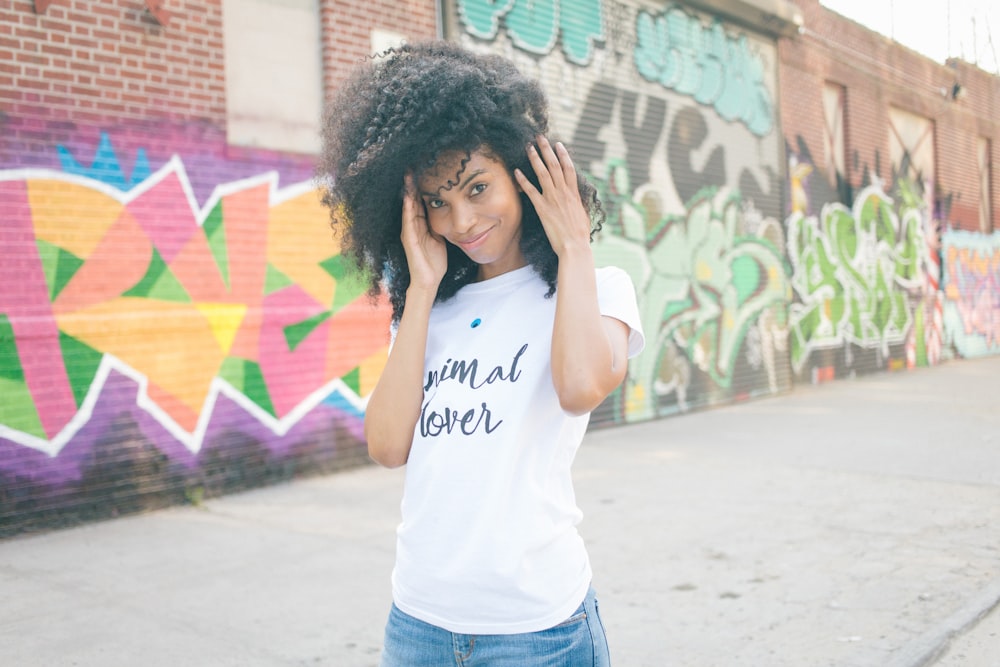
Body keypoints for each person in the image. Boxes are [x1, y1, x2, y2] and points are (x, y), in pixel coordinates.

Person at [319, 41, 645, 667]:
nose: (462, 219)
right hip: (417, 623)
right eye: (438, 202)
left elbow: (580, 386)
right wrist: (419, 292)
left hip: (535, 629)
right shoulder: (430, 311)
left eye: (477, 187)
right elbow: (388, 447)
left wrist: (573, 244)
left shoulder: (596, 290)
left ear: (525, 175)